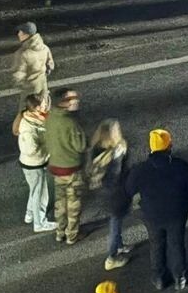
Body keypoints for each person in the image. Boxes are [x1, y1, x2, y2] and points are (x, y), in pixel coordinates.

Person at [125, 129, 188, 290]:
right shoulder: (180, 166)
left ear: (151, 148)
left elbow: (128, 189)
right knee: (176, 243)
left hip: (152, 215)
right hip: (177, 213)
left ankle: (159, 278)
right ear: (169, 146)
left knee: (156, 244)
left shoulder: (141, 170)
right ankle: (179, 276)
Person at [44, 87, 87, 244]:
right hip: (71, 169)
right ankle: (72, 235)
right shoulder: (70, 122)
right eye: (71, 98)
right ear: (63, 103)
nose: (76, 100)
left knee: (60, 203)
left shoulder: (50, 117)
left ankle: (60, 232)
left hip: (57, 167)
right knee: (73, 204)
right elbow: (81, 146)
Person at [87, 120, 132, 270]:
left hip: (105, 193)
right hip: (116, 194)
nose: (120, 131)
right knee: (115, 225)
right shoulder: (116, 152)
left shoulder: (97, 149)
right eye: (117, 129)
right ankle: (111, 257)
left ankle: (119, 246)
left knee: (116, 223)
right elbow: (116, 175)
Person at [12, 93, 56, 233]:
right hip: (34, 164)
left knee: (35, 189)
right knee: (40, 193)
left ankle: (30, 214)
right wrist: (46, 142)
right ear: (36, 108)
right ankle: (40, 222)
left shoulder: (34, 117)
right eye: (43, 103)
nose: (46, 104)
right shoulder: (29, 130)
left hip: (33, 163)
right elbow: (30, 150)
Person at [12, 21, 53, 112]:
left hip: (30, 86)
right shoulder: (44, 47)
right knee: (43, 104)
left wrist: (19, 84)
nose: (19, 34)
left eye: (21, 32)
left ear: (27, 35)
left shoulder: (22, 53)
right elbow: (50, 64)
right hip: (42, 82)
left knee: (25, 109)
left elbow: (19, 74)